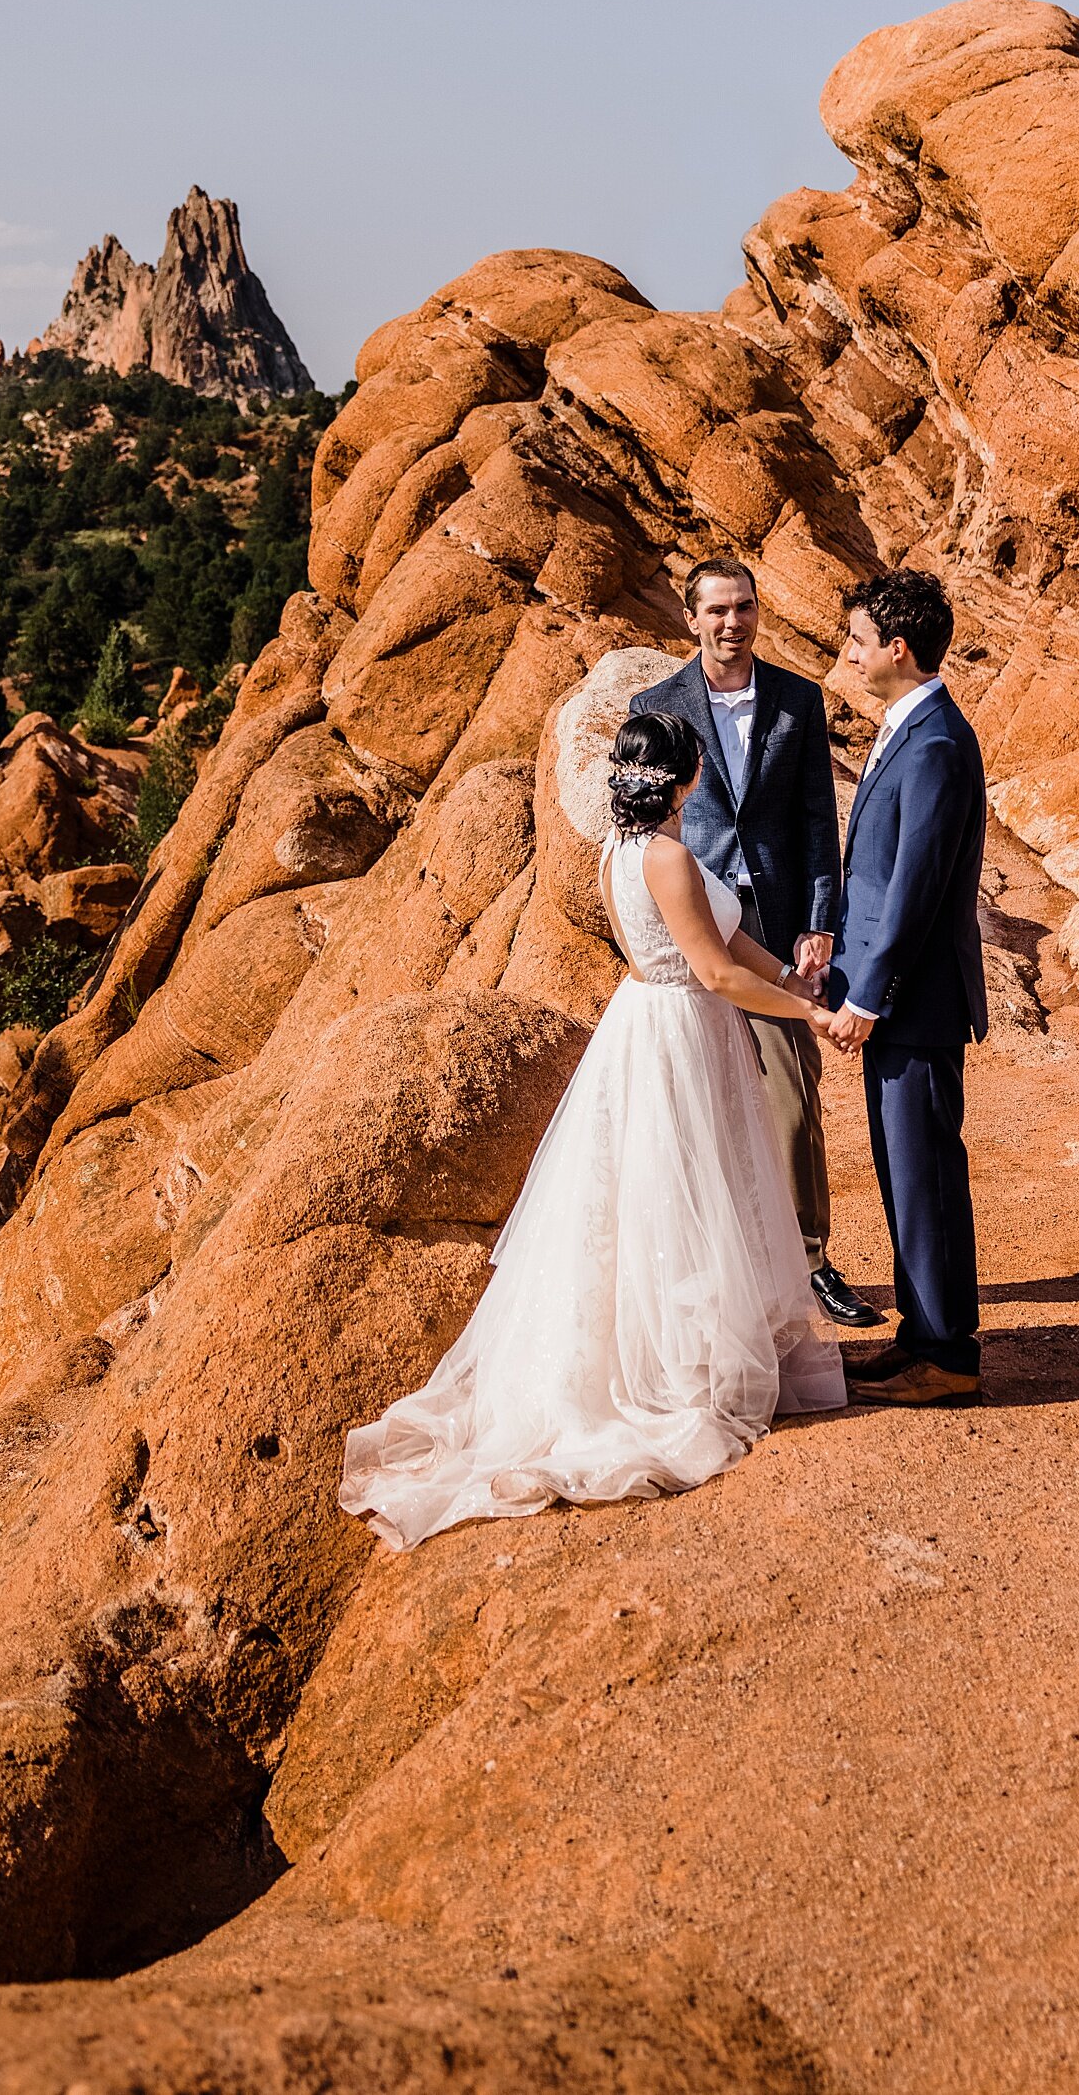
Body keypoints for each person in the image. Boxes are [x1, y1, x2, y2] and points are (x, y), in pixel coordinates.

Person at [339, 710, 845, 1550]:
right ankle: (682, 1371)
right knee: (688, 1195)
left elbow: (726, 941)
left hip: (649, 1022)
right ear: (686, 777)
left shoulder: (616, 852)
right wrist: (810, 1017)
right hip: (681, 1028)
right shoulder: (668, 855)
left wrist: (793, 977)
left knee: (661, 1195)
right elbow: (713, 969)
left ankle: (691, 1348)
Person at [629, 556, 883, 1328]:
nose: (730, 623)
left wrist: (818, 922)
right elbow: (644, 822)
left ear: (757, 612)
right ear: (691, 617)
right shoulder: (655, 702)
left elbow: (815, 818)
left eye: (743, 608)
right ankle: (710, 1272)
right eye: (715, 610)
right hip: (695, 919)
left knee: (792, 1099)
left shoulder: (798, 699)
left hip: (774, 921)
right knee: (696, 1104)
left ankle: (812, 1260)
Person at [825, 570, 989, 1405]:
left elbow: (914, 888)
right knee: (904, 1171)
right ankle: (920, 1335)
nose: (847, 655)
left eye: (856, 640)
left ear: (898, 647)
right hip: (900, 1000)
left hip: (914, 1006)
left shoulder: (934, 745)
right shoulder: (910, 729)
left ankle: (949, 1356)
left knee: (924, 1172)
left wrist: (866, 997)